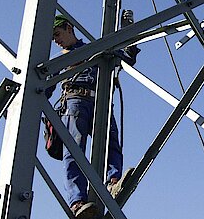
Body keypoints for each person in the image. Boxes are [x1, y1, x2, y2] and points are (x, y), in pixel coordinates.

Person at [47, 12, 139, 219]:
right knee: (74, 152)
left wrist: (127, 30)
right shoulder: (61, 58)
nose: (56, 40)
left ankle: (113, 182)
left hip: (101, 101)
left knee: (111, 145)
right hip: (75, 101)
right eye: (53, 37)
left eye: (57, 33)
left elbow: (127, 56)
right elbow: (45, 86)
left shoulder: (95, 50)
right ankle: (77, 201)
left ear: (69, 28)